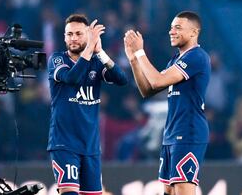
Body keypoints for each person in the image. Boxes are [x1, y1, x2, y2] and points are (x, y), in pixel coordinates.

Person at [124, 11, 211, 195]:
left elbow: (156, 80)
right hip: (172, 133)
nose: (171, 31)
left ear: (194, 32)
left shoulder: (197, 56)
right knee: (169, 192)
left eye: (178, 27)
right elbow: (147, 89)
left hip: (189, 132)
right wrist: (133, 60)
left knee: (182, 189)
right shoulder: (175, 60)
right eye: (171, 27)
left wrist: (140, 51)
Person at [47, 14, 128, 195]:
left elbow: (122, 80)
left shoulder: (96, 64)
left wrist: (100, 52)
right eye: (69, 34)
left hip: (90, 146)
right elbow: (72, 78)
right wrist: (90, 47)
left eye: (78, 34)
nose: (73, 38)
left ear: (88, 36)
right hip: (65, 144)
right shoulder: (57, 60)